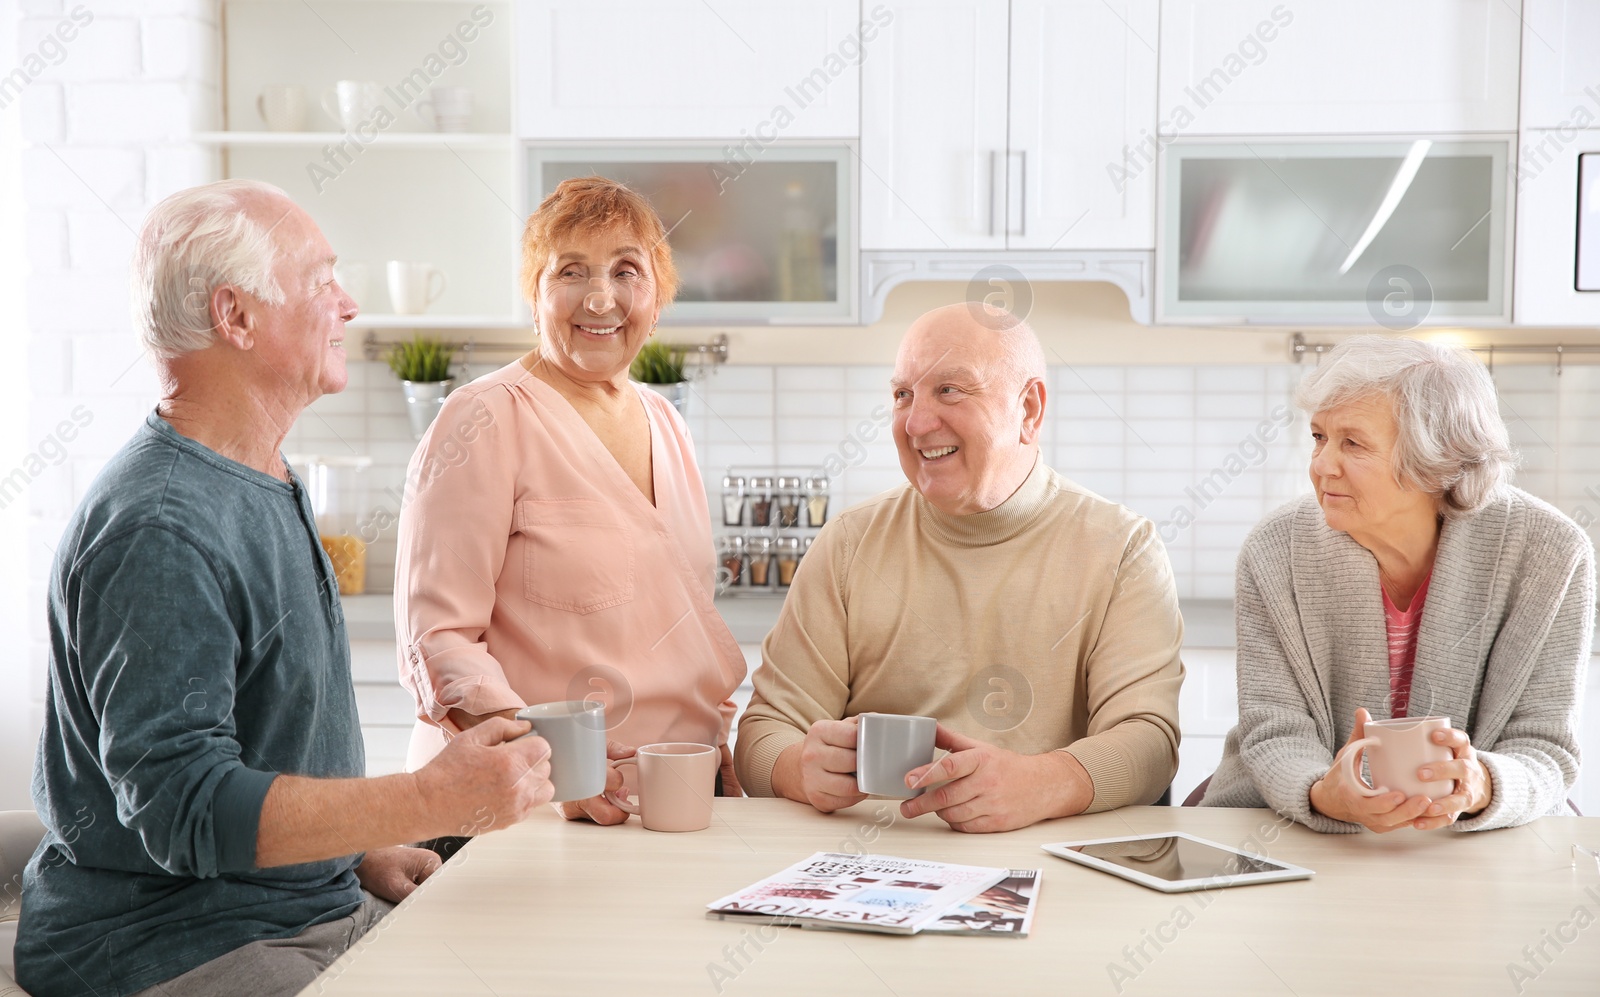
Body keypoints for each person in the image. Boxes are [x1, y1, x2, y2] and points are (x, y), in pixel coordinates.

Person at [15, 180, 556, 997]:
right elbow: (186, 810)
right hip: (174, 944)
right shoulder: (161, 529)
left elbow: (267, 744)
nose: (348, 302)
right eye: (321, 281)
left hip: (295, 907)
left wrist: (353, 847)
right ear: (236, 317)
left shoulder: (254, 473)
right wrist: (422, 800)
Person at [734, 303, 1184, 833]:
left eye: (950, 390)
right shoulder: (849, 544)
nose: (917, 423)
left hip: (1050, 862)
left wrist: (1044, 781)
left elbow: (1150, 741)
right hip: (875, 862)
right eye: (903, 394)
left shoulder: (1124, 549)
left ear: (1030, 410)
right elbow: (765, 731)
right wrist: (796, 768)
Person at [395, 176, 747, 829]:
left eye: (626, 270)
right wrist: (550, 770)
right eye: (572, 271)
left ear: (658, 296)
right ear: (535, 294)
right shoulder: (484, 418)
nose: (600, 296)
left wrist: (715, 744)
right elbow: (438, 639)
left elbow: (684, 628)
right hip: (534, 811)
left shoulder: (668, 423)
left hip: (674, 800)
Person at [1201, 336, 1595, 833]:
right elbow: (1275, 731)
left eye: (1353, 443)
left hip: (1471, 846)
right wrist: (1324, 793)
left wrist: (1482, 785)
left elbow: (1545, 747)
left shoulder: (1550, 552)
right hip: (1292, 830)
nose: (1322, 465)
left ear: (1436, 461)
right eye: (1319, 437)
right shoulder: (1275, 549)